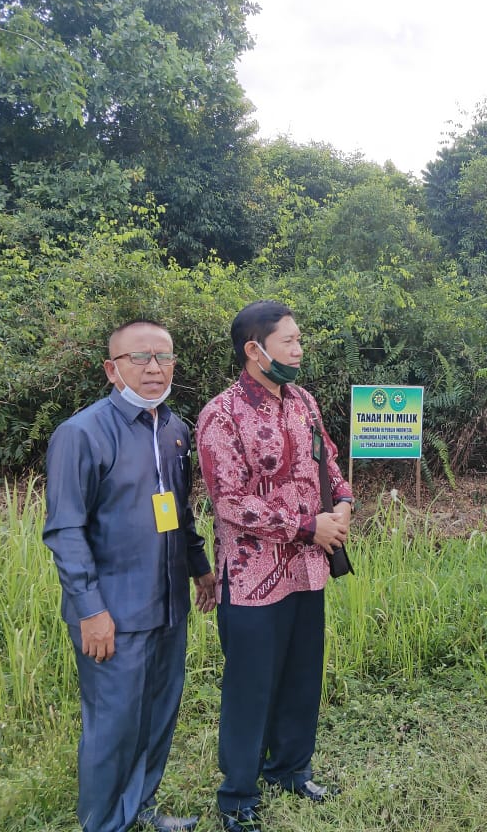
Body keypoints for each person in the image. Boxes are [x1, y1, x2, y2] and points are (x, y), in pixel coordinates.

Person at [43, 320, 217, 832]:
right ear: (111, 368)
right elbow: (65, 531)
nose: (153, 368)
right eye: (139, 358)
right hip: (113, 613)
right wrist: (90, 610)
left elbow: (179, 515)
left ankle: (138, 808)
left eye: (164, 358)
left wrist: (200, 569)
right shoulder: (81, 434)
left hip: (166, 606)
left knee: (157, 717)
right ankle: (102, 823)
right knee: (113, 727)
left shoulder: (175, 431)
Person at [196, 300, 353, 832]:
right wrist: (308, 526)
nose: (299, 349)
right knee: (250, 686)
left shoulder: (303, 401)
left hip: (309, 569)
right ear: (254, 350)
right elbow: (230, 501)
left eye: (299, 339)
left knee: (301, 677)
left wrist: (345, 504)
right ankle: (238, 796)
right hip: (251, 576)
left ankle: (290, 768)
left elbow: (328, 459)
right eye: (290, 340)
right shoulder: (221, 414)